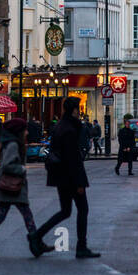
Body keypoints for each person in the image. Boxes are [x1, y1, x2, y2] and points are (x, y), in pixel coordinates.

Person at [30, 96, 100, 259]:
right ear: (74, 110)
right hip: (70, 177)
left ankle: (36, 235)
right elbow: (73, 158)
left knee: (65, 211)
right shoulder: (69, 129)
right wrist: (79, 183)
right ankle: (81, 247)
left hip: (61, 176)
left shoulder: (61, 126)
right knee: (82, 209)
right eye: (78, 108)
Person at [0, 118, 42, 256]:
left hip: (8, 185)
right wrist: (22, 170)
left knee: (2, 215)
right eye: (25, 129)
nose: (27, 132)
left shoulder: (12, 143)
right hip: (12, 185)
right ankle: (36, 243)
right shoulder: (13, 145)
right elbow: (7, 165)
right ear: (19, 131)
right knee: (26, 214)